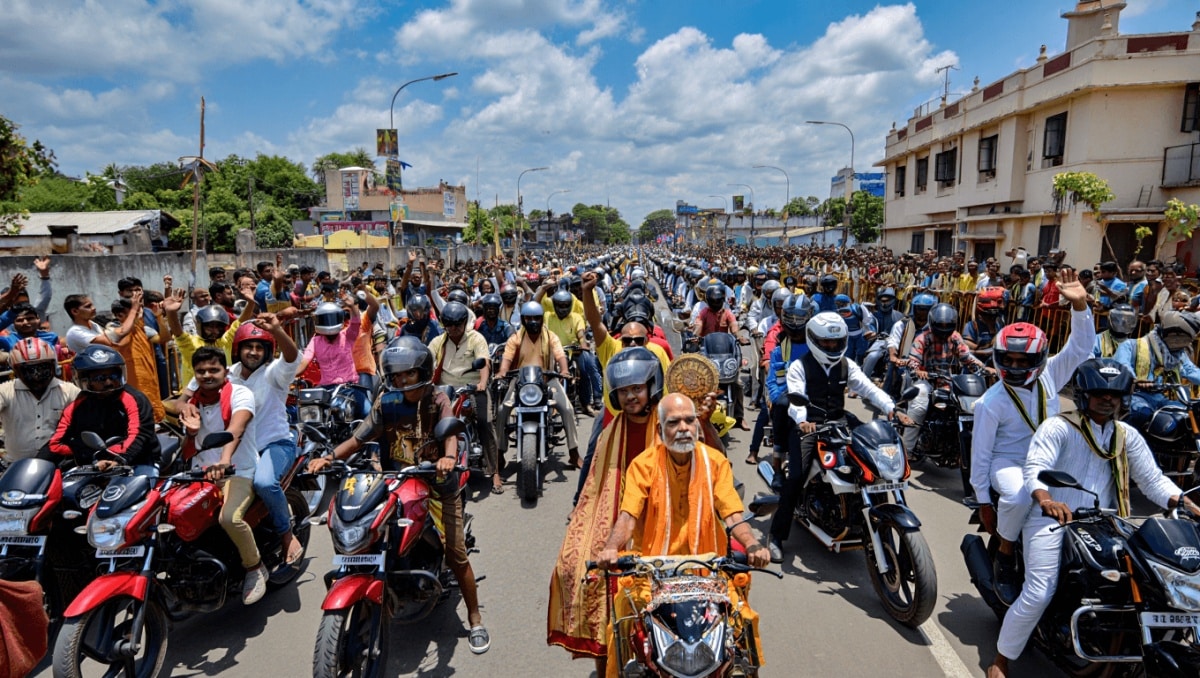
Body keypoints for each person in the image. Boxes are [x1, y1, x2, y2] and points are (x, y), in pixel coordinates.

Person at [986, 359, 1200, 678]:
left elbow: (1153, 480)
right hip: (1050, 516)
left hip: (1105, 519)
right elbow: (1034, 469)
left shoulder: (1126, 435)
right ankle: (1001, 661)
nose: (1107, 399)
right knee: (1039, 590)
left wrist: (1183, 501)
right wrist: (1045, 499)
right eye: (1099, 392)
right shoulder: (1058, 427)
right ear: (1084, 393)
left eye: (1114, 393)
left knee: (1152, 576)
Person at [307, 336, 490, 654]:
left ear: (423, 372)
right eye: (396, 374)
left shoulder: (436, 399)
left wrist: (447, 459)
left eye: (408, 373)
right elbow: (359, 438)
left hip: (435, 485)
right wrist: (330, 457)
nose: (401, 379)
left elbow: (449, 432)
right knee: (364, 533)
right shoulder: (385, 403)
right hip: (393, 481)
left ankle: (475, 619)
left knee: (456, 555)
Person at [594, 392, 770, 677]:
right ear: (660, 429)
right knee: (625, 618)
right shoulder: (643, 465)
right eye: (674, 422)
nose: (684, 428)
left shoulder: (715, 462)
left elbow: (732, 514)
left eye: (690, 420)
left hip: (708, 572)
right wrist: (612, 548)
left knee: (742, 621)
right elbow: (628, 516)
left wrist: (751, 544)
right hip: (653, 573)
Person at [970, 267, 1092, 604]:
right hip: (1008, 463)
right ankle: (1006, 556)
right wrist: (983, 501)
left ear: (1038, 358)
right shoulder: (989, 402)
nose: (1015, 364)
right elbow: (981, 455)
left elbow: (1081, 348)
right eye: (1008, 359)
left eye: (1023, 359)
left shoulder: (1051, 373)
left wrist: (1080, 308)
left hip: (1051, 460)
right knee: (1021, 497)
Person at [547, 348, 665, 674]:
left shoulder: (669, 424)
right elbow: (595, 488)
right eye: (624, 391)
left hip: (661, 519)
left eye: (637, 389)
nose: (630, 397)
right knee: (574, 569)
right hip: (618, 521)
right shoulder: (609, 433)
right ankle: (605, 666)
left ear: (652, 386)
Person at [768, 313, 912, 562]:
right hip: (809, 426)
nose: (832, 347)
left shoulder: (847, 364)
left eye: (836, 342)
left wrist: (891, 408)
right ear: (814, 340)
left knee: (871, 460)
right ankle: (776, 536)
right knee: (796, 478)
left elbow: (868, 388)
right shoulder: (799, 366)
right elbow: (795, 396)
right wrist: (802, 420)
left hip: (838, 420)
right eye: (826, 343)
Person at [177, 347, 267, 605]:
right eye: (201, 371)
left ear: (225, 372)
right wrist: (191, 432)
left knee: (229, 518)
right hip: (200, 475)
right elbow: (187, 448)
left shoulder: (241, 394)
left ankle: (254, 567)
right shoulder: (192, 405)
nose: (207, 375)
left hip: (238, 471)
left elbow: (236, 429)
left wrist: (224, 461)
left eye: (213, 370)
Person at [228, 315, 304, 567]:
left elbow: (292, 356)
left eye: (260, 347)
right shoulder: (227, 376)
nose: (253, 352)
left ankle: (286, 534)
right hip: (238, 448)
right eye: (248, 346)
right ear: (237, 348)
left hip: (275, 445)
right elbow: (192, 394)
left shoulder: (273, 374)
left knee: (264, 482)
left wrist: (278, 331)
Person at [42, 345, 160, 470]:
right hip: (97, 465)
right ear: (84, 380)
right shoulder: (76, 406)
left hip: (140, 460)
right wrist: (36, 463)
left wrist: (119, 460)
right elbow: (55, 445)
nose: (109, 382)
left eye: (113, 376)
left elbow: (139, 435)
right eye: (100, 378)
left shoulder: (134, 399)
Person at [495, 301, 579, 467]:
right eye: (529, 318)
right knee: (502, 409)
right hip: (520, 383)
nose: (533, 321)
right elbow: (507, 357)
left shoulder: (550, 337)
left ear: (542, 319)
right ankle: (499, 452)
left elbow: (560, 355)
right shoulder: (516, 338)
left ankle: (574, 453)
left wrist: (564, 370)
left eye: (536, 318)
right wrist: (502, 371)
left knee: (567, 409)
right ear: (524, 319)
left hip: (548, 381)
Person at [428, 301, 501, 494]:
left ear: (464, 322)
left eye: (457, 324)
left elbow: (484, 363)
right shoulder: (438, 342)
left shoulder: (476, 339)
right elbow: (427, 361)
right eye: (449, 324)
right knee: (428, 423)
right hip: (444, 390)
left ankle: (494, 471)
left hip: (472, 388)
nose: (453, 329)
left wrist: (482, 383)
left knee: (485, 422)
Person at [902, 302, 989, 453]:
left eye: (947, 324)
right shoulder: (923, 338)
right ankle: (906, 451)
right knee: (919, 406)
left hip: (947, 381)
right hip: (925, 381)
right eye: (940, 324)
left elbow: (967, 358)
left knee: (969, 407)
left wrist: (984, 368)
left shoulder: (955, 337)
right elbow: (913, 361)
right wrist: (919, 371)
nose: (943, 327)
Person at [1113, 310, 1200, 429]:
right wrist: (1136, 380)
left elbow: (1191, 371)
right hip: (1136, 396)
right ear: (1172, 335)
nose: (1187, 344)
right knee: (1142, 413)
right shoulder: (1131, 346)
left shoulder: (1179, 356)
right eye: (1184, 339)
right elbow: (1122, 367)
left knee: (1186, 416)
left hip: (1162, 397)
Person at [0, 338, 79, 462]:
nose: (36, 375)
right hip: (15, 467)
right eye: (29, 371)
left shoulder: (69, 391)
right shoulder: (4, 391)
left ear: (53, 366)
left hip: (59, 465)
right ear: (16, 371)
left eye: (43, 368)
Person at [297, 296, 361, 387]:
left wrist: (352, 307)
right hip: (327, 388)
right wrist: (290, 376)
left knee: (366, 401)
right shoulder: (315, 341)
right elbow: (305, 361)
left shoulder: (347, 335)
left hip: (350, 386)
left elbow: (356, 323)